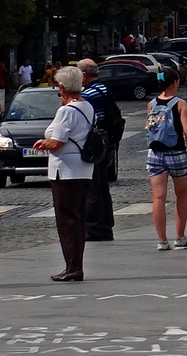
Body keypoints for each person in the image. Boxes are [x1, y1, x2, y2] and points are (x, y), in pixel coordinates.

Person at [36, 67, 97, 282]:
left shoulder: (66, 111)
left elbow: (57, 142)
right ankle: (74, 265)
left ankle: (72, 267)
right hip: (83, 169)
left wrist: (44, 143)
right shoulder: (87, 106)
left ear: (63, 87)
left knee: (67, 220)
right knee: (77, 219)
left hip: (65, 171)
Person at [145, 68, 187, 251]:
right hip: (176, 153)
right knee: (181, 195)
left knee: (158, 197)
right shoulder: (180, 104)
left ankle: (162, 240)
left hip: (155, 153)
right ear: (174, 83)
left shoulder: (151, 104)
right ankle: (180, 237)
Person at [77, 59, 119, 243]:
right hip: (106, 143)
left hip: (93, 146)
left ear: (84, 76)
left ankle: (93, 228)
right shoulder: (103, 89)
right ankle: (105, 226)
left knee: (93, 188)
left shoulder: (89, 94)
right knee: (102, 187)